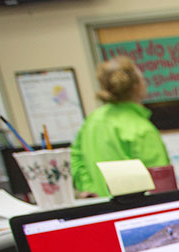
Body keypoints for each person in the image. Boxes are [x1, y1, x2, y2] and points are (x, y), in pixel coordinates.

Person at [70, 56, 170, 197]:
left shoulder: (92, 121)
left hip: (100, 208)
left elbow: (76, 160)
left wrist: (91, 190)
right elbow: (160, 184)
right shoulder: (141, 128)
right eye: (142, 79)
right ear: (136, 86)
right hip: (135, 213)